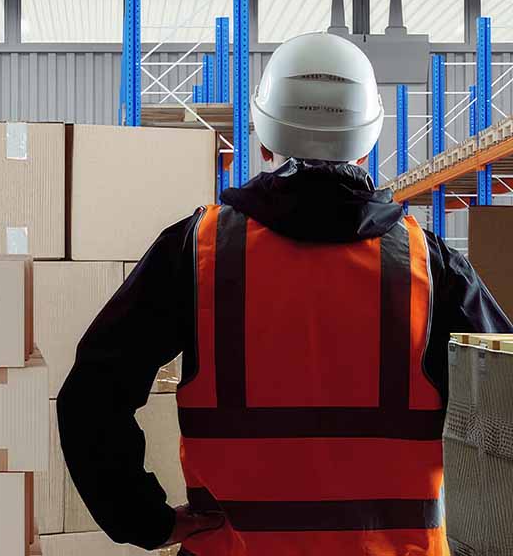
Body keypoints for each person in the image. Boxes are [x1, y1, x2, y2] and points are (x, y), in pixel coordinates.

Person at [57, 31, 512, 556]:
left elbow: (92, 396)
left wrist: (144, 519)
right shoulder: (431, 268)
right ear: (367, 142)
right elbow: (503, 410)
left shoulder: (198, 252)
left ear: (265, 138)